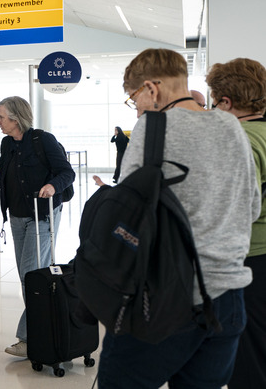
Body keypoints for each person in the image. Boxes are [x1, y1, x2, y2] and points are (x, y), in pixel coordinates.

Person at [96, 48, 260, 388]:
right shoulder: (231, 126)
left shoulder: (151, 128)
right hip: (228, 297)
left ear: (151, 89)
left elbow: (128, 215)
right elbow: (252, 207)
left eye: (134, 98)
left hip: (166, 296)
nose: (137, 107)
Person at [0, 96, 75, 358]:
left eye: (1, 117)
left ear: (16, 118)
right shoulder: (7, 144)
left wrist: (52, 186)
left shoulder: (43, 140)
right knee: (29, 277)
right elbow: (7, 178)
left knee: (30, 275)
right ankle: (44, 328)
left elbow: (67, 173)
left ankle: (29, 338)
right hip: (17, 217)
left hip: (42, 215)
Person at [206, 57, 266, 389]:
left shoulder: (239, 139)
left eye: (215, 103)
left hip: (250, 258)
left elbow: (237, 209)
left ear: (227, 102)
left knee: (248, 354)